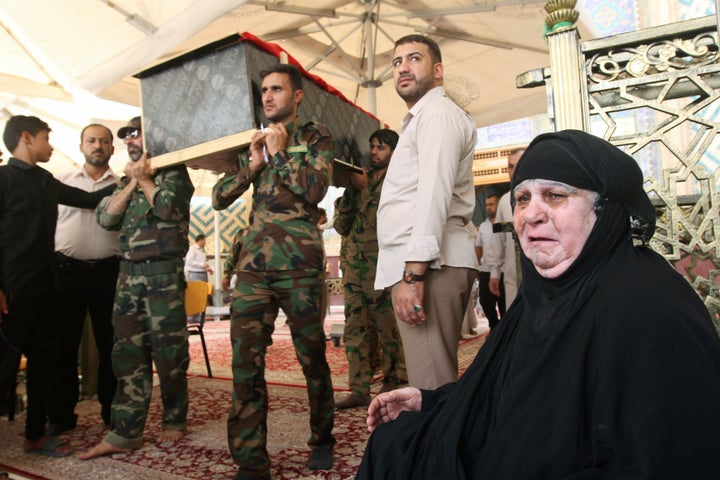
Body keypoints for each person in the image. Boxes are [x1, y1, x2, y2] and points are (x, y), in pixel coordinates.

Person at [356, 129, 720, 479]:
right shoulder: (543, 293)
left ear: (604, 209)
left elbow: (668, 459)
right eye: (523, 198)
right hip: (509, 450)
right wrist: (430, 400)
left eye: (555, 195)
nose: (531, 214)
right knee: (393, 444)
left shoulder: (649, 305)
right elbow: (511, 390)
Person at [212, 63, 335, 480]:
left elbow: (316, 190)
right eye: (264, 90)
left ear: (296, 96)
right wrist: (253, 165)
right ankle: (250, 461)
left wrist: (281, 154)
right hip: (253, 270)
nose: (267, 97)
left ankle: (322, 439)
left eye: (277, 89)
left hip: (299, 269)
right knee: (245, 364)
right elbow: (217, 197)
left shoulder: (315, 137)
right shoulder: (254, 142)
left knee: (311, 359)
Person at [78, 116, 195, 459]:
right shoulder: (124, 183)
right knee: (126, 355)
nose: (131, 139)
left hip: (163, 279)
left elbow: (169, 209)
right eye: (127, 135)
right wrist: (132, 182)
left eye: (136, 133)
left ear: (154, 137)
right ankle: (125, 431)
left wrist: (146, 180)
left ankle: (175, 418)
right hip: (127, 279)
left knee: (169, 354)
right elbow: (105, 218)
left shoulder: (175, 174)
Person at [0, 115, 114, 457]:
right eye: (46, 138)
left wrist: (133, 181)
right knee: (4, 370)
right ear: (26, 138)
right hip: (12, 291)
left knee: (45, 366)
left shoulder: (47, 181)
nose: (51, 146)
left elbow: (91, 200)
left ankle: (36, 436)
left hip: (48, 288)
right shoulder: (3, 179)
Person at [375, 34, 478, 390]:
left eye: (413, 58)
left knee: (432, 386)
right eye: (397, 61)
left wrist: (414, 276)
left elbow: (434, 194)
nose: (403, 67)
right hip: (429, 265)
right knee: (429, 380)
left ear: (437, 70)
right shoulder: (424, 117)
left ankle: (440, 448)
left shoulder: (437, 114)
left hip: (432, 267)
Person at [48, 124, 120, 434]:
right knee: (64, 347)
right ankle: (62, 416)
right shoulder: (60, 182)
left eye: (104, 141)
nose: (98, 146)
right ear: (81, 146)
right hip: (67, 273)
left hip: (109, 273)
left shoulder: (123, 185)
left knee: (112, 347)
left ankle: (112, 414)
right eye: (92, 140)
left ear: (112, 149)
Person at [334, 128, 407, 410]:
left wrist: (366, 190)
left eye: (381, 147)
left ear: (393, 152)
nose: (374, 152)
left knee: (387, 327)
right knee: (355, 329)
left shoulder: (397, 183)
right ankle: (358, 388)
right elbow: (342, 226)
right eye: (372, 146)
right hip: (354, 267)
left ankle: (393, 380)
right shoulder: (357, 181)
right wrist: (352, 191)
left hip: (382, 265)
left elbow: (394, 223)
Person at [487, 147, 525, 309]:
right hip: (513, 277)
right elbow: (498, 240)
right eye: (510, 166)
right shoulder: (503, 202)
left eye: (519, 164)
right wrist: (494, 272)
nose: (514, 170)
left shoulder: (547, 196)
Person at [474, 194, 505, 329]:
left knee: (504, 303)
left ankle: (505, 330)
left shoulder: (504, 224)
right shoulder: (483, 226)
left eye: (491, 204)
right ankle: (494, 327)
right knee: (485, 302)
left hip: (503, 270)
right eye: (487, 205)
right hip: (486, 270)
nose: (488, 207)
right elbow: (478, 247)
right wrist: (476, 266)